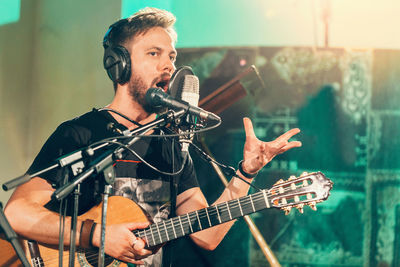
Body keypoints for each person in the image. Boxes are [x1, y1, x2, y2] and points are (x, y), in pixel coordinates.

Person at [4, 7, 301, 267]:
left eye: (172, 56)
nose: (168, 65)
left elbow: (206, 235)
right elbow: (17, 212)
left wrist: (246, 174)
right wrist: (97, 236)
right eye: (154, 53)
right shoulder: (81, 134)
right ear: (119, 63)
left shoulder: (172, 145)